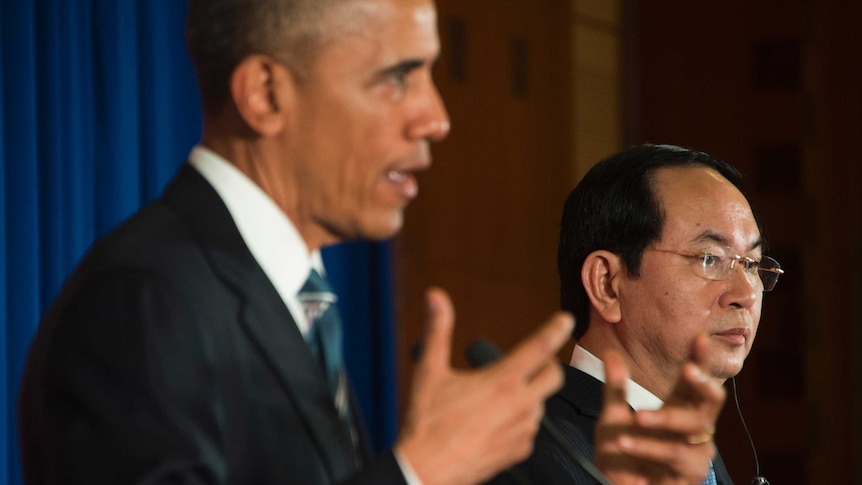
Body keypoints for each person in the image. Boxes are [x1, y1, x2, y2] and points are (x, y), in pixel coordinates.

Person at [17, 0, 574, 484]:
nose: (436, 119)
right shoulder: (143, 300)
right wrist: (418, 473)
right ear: (265, 94)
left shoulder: (294, 300)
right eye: (398, 77)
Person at [497, 144, 783, 484]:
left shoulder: (696, 451)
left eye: (751, 264)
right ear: (607, 284)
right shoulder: (528, 454)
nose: (747, 294)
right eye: (709, 258)